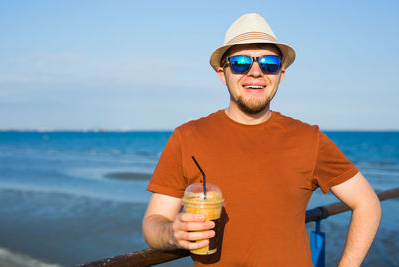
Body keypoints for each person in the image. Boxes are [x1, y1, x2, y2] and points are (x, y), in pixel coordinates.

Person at [142, 13, 381, 266]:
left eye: (268, 63)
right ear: (223, 74)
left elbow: (367, 203)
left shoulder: (309, 139)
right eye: (241, 63)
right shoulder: (187, 136)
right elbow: (153, 222)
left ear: (281, 74)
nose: (255, 72)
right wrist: (172, 233)